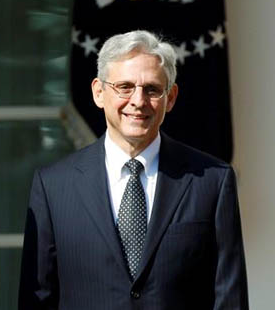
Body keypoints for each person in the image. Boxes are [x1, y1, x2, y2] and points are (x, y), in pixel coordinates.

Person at [18, 30, 248, 309]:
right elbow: (37, 298)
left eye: (152, 89)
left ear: (171, 97)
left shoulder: (212, 180)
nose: (138, 101)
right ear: (98, 92)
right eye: (124, 87)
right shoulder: (53, 186)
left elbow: (229, 298)